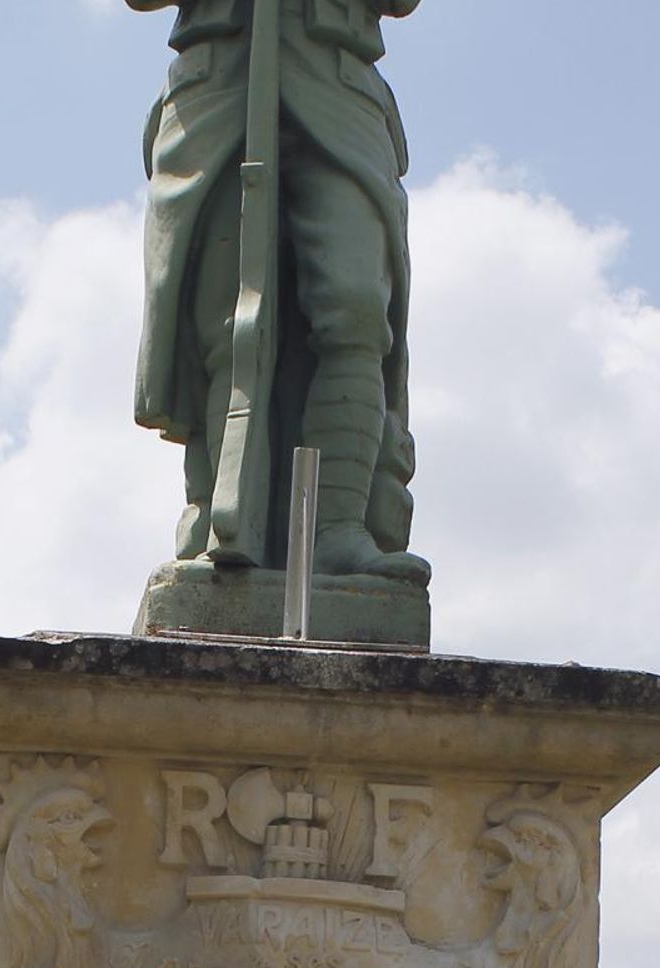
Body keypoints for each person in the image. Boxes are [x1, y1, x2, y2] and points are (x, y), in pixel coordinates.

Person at [129, 0, 428, 583]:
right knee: (221, 321)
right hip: (219, 84)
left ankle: (339, 531)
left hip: (339, 84)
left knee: (358, 310)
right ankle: (217, 522)